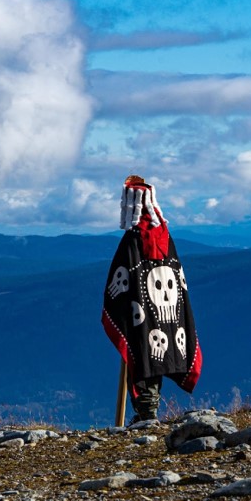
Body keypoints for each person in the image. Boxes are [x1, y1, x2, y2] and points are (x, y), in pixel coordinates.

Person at [101, 176, 202, 422]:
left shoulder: (131, 241)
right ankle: (149, 411)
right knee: (155, 354)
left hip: (141, 314)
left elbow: (120, 282)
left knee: (142, 354)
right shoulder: (166, 238)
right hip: (167, 314)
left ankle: (146, 413)